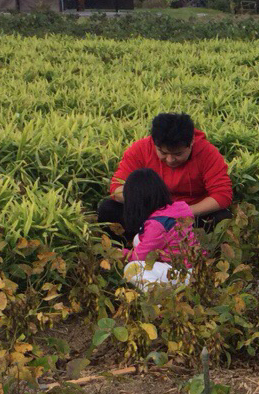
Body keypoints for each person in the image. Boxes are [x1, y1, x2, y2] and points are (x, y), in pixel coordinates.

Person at [98, 113, 233, 239]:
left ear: (191, 142)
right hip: (147, 214)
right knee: (109, 209)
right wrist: (151, 209)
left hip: (190, 217)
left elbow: (222, 195)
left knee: (222, 218)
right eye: (162, 152)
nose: (170, 160)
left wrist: (181, 213)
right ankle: (128, 250)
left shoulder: (207, 153)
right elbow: (117, 188)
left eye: (178, 154)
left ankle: (198, 255)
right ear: (154, 142)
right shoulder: (140, 149)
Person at [121, 168, 201, 288]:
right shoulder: (176, 209)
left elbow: (141, 256)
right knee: (138, 238)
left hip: (183, 272)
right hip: (196, 267)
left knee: (132, 269)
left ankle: (159, 297)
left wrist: (123, 254)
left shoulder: (157, 224)